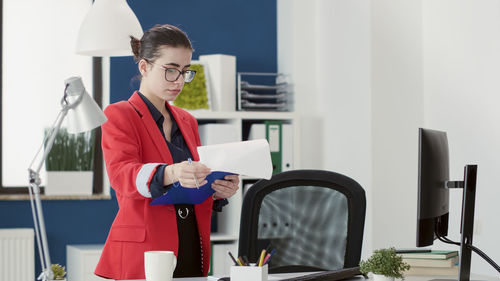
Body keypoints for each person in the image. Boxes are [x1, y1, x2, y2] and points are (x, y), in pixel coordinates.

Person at [94, 24, 240, 280]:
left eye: (184, 71)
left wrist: (217, 189)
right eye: (171, 70)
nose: (179, 81)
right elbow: (121, 175)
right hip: (145, 250)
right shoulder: (119, 114)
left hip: (190, 242)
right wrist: (171, 172)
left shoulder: (187, 120)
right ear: (144, 67)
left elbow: (193, 179)